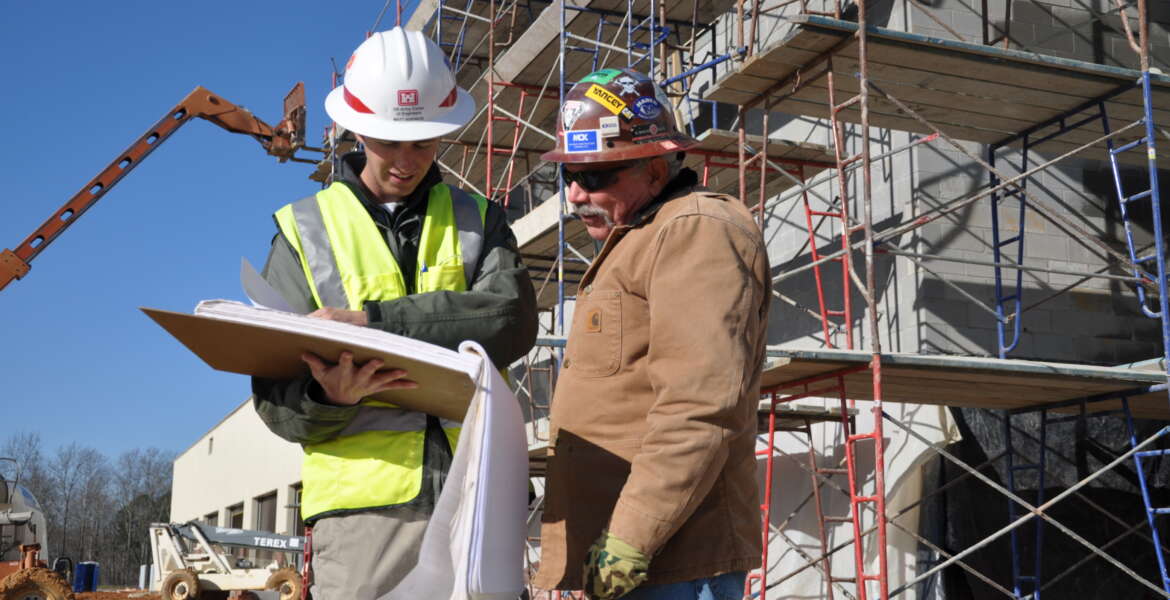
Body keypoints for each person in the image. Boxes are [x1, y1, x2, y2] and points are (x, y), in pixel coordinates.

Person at [251, 27, 538, 600]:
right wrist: (328, 398)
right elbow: (275, 401)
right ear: (356, 129)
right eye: (390, 142)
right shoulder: (304, 230)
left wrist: (375, 323)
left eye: (425, 143)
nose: (408, 161)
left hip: (479, 496)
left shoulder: (479, 216)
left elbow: (509, 319)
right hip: (366, 519)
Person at [531, 67, 769, 600]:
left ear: (656, 168)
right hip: (637, 560)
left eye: (594, 177)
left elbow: (699, 405)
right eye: (568, 173)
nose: (573, 195)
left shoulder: (695, 230)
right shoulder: (643, 236)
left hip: (672, 562)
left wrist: (632, 537)